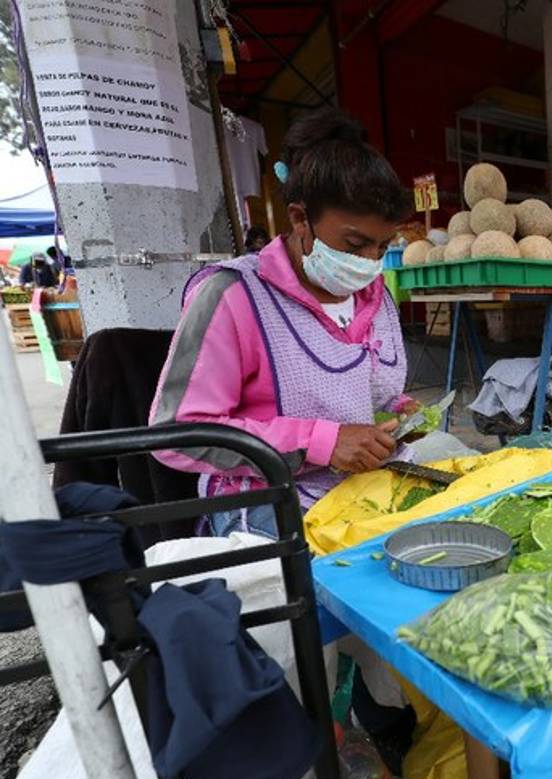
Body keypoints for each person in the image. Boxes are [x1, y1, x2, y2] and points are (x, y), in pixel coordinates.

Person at [150, 108, 416, 539]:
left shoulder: (376, 295)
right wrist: (321, 442)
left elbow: (370, 393)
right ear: (299, 218)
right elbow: (178, 434)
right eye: (354, 243)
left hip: (364, 491)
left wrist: (402, 412)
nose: (369, 262)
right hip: (267, 506)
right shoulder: (233, 296)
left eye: (382, 246)